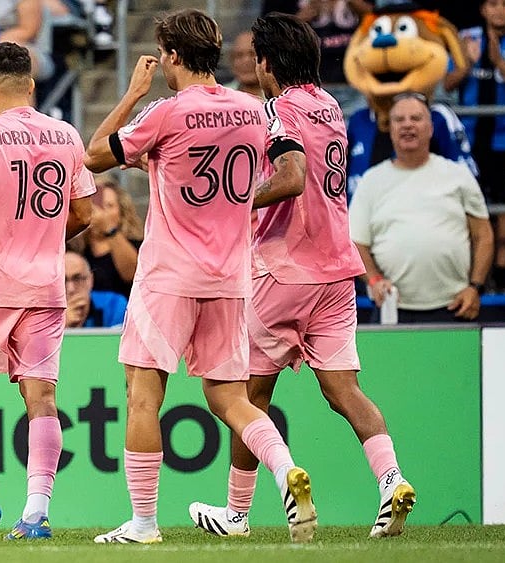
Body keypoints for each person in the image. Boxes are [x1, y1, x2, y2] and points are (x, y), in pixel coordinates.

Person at [84, 9, 317, 545]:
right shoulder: (255, 109)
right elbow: (289, 171)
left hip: (168, 275)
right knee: (231, 398)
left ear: (171, 56)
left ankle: (144, 523)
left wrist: (133, 95)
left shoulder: (166, 111)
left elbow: (95, 154)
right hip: (230, 277)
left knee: (144, 396)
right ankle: (286, 470)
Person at [188, 13, 415, 541]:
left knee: (246, 396)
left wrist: (235, 202)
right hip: (338, 271)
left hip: (284, 269)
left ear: (267, 63)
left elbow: (292, 178)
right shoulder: (331, 106)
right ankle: (392, 480)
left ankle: (238, 513)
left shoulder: (277, 110)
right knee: (344, 390)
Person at [0, 41, 94, 540]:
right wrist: (42, 238)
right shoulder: (67, 135)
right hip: (46, 285)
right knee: (42, 397)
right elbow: (85, 213)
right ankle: (36, 513)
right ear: (30, 84)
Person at [350, 94, 494, 322]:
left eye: (416, 118)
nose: (407, 125)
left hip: (455, 307)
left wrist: (475, 287)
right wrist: (374, 280)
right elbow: (356, 243)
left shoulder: (458, 175)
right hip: (391, 309)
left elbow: (483, 235)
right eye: (399, 119)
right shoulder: (371, 181)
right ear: (390, 129)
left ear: (431, 128)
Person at [444, 0, 505, 293]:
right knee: (467, 206)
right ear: (483, 9)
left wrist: (499, 62)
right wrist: (467, 64)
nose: (499, 10)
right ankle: (471, 275)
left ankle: (501, 275)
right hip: (470, 140)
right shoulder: (466, 37)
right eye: (493, 4)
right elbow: (448, 83)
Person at [71, 173, 143, 298]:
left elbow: (133, 273)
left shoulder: (136, 245)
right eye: (96, 206)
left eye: (109, 206)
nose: (101, 212)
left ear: (121, 211)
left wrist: (109, 228)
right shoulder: (77, 249)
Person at [64, 250, 127, 328]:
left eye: (77, 279)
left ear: (91, 279)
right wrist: (64, 325)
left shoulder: (114, 303)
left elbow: (118, 335)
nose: (71, 289)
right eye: (63, 280)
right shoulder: (49, 311)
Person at [226, 30, 264, 99]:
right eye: (239, 55)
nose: (246, 61)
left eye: (252, 54)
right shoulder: (222, 97)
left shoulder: (280, 97)